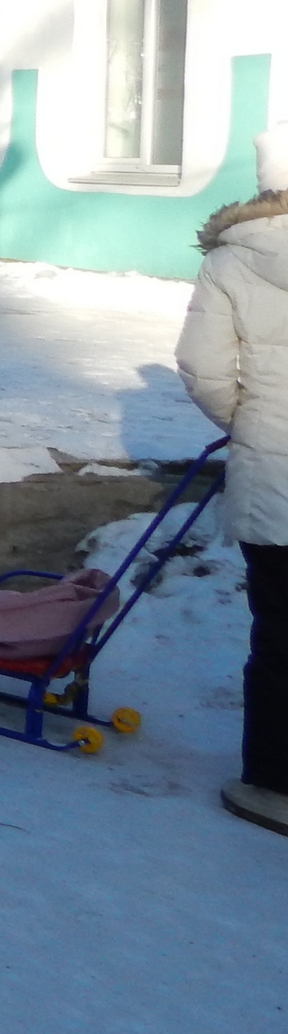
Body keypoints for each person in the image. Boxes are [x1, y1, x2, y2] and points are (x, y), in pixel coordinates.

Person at [176, 124, 288, 837]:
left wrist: (248, 422)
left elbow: (204, 369)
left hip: (276, 478)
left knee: (280, 636)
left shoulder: (231, 261)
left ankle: (275, 786)